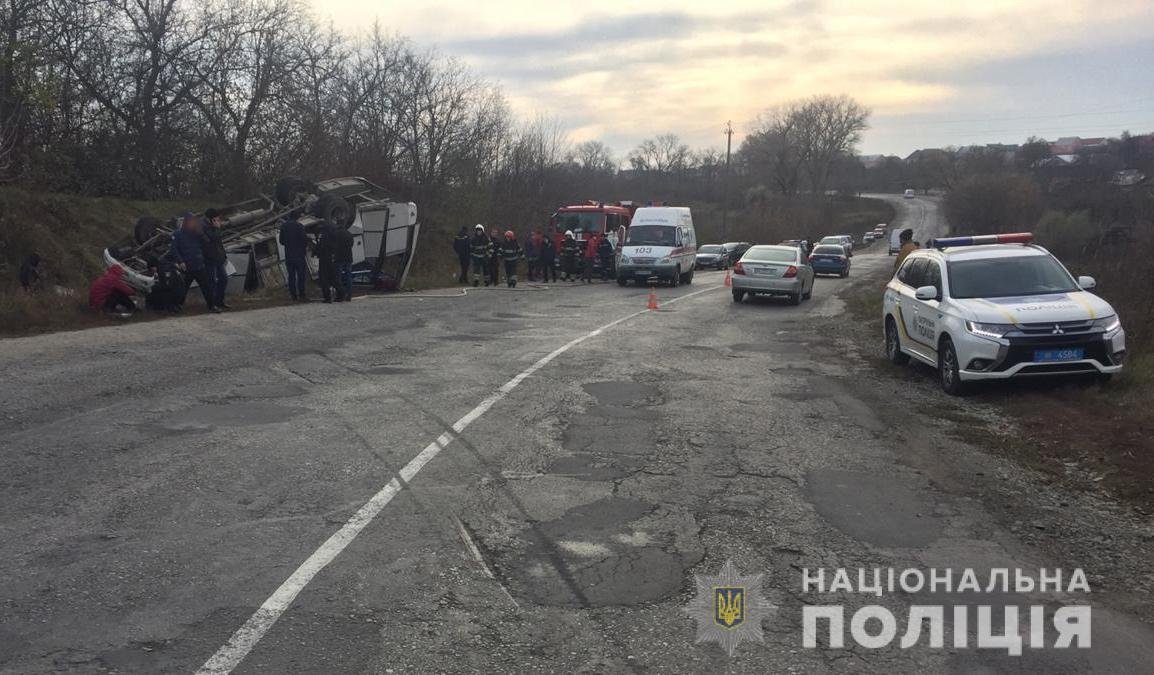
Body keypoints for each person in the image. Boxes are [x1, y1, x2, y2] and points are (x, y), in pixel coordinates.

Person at [171, 213, 220, 312]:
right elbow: (174, 249)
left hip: (199, 265)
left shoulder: (196, 233)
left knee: (206, 287)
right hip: (186, 266)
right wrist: (180, 261)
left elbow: (207, 242)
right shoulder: (177, 234)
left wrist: (200, 233)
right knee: (182, 288)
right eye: (191, 222)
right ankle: (178, 305)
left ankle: (212, 306)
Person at [202, 208, 231, 310]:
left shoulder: (213, 225)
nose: (218, 221)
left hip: (218, 257)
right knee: (212, 281)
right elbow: (212, 238)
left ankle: (219, 301)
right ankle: (212, 304)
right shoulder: (203, 227)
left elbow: (219, 242)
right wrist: (217, 228)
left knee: (223, 278)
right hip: (209, 258)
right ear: (210, 219)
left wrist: (224, 255)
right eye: (216, 219)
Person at [279, 214, 309, 301]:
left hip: (289, 255)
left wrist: (288, 244)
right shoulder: (299, 226)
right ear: (297, 218)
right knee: (301, 276)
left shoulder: (283, 226)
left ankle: (293, 296)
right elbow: (304, 239)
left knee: (291, 276)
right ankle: (302, 295)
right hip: (299, 255)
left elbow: (281, 241)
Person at [314, 224, 343, 303]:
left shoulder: (324, 237)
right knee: (333, 278)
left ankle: (327, 297)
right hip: (332, 260)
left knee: (324, 278)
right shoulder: (334, 237)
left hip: (324, 260)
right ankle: (341, 294)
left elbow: (319, 248)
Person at [333, 223, 355, 301]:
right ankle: (349, 295)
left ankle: (340, 294)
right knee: (348, 276)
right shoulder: (349, 234)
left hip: (339, 257)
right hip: (348, 257)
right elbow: (352, 244)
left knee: (338, 277)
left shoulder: (336, 233)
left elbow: (333, 244)